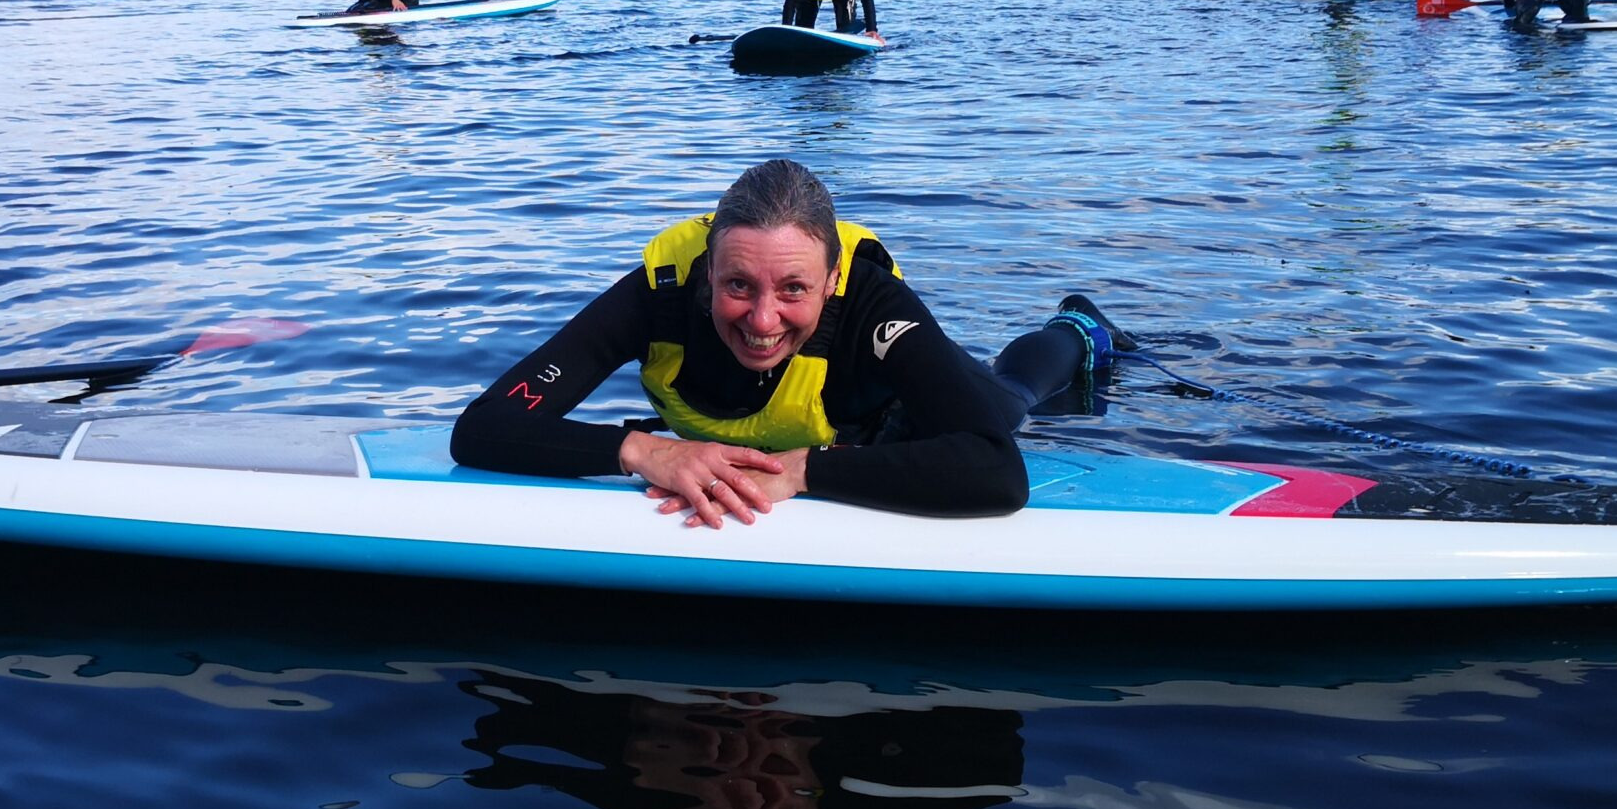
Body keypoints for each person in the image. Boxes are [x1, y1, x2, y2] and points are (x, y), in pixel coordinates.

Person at [450, 158, 1131, 526]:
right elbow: (484, 427)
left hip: (875, 423)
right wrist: (644, 451)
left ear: (832, 279)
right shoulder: (656, 295)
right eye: (738, 286)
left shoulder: (869, 300)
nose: (764, 320)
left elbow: (996, 470)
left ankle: (1078, 327)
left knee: (1010, 398)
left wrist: (805, 472)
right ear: (707, 272)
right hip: (761, 426)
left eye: (794, 291)